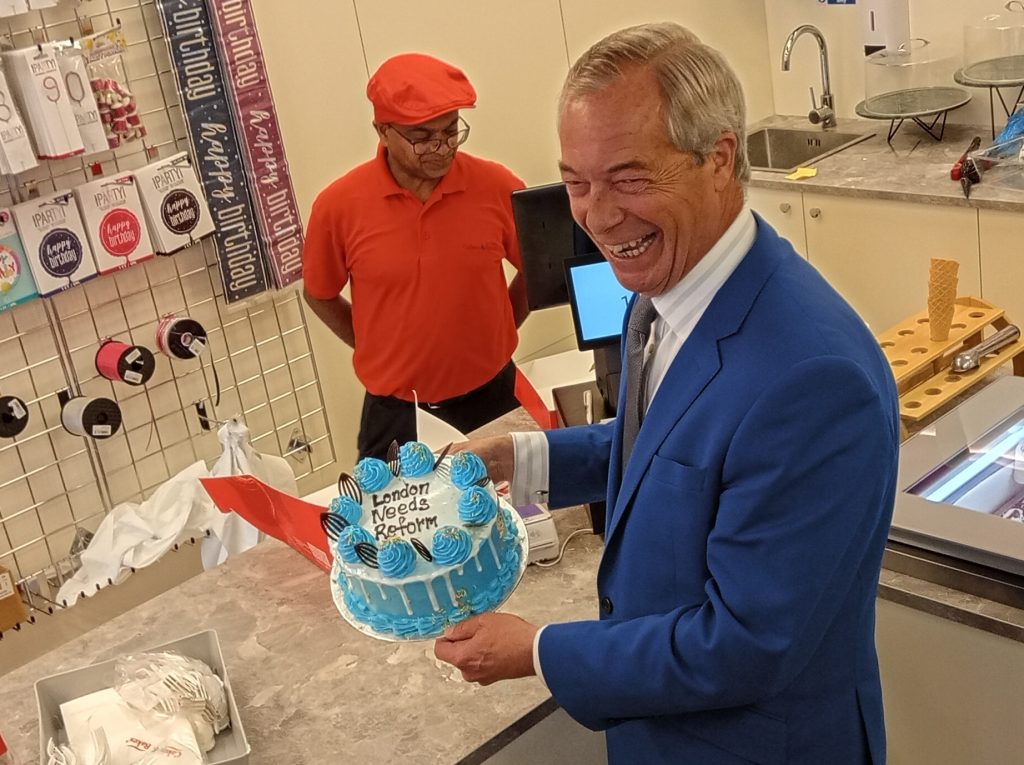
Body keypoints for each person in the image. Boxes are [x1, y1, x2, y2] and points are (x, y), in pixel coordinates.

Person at [434, 22, 900, 765]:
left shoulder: (814, 379)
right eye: (577, 183)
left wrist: (542, 651)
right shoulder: (668, 290)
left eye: (628, 177)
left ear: (719, 158)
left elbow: (745, 643)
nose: (598, 215)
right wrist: (516, 458)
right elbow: (668, 447)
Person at [302, 53, 528, 460]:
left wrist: (503, 325)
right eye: (421, 137)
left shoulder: (497, 187)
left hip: (494, 395)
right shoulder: (338, 207)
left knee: (519, 520)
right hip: (396, 413)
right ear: (382, 131)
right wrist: (372, 346)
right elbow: (318, 293)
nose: (440, 148)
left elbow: (537, 269)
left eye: (451, 131)